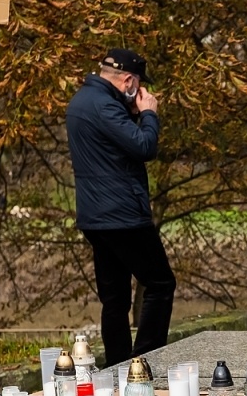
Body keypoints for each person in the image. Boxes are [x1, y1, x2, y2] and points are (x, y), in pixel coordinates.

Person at [67, 49, 172, 368]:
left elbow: (115, 143)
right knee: (160, 284)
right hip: (123, 215)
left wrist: (130, 112)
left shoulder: (82, 101)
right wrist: (149, 113)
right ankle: (145, 362)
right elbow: (143, 146)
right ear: (128, 79)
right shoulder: (105, 106)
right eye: (137, 84)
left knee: (114, 300)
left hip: (94, 217)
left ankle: (116, 367)